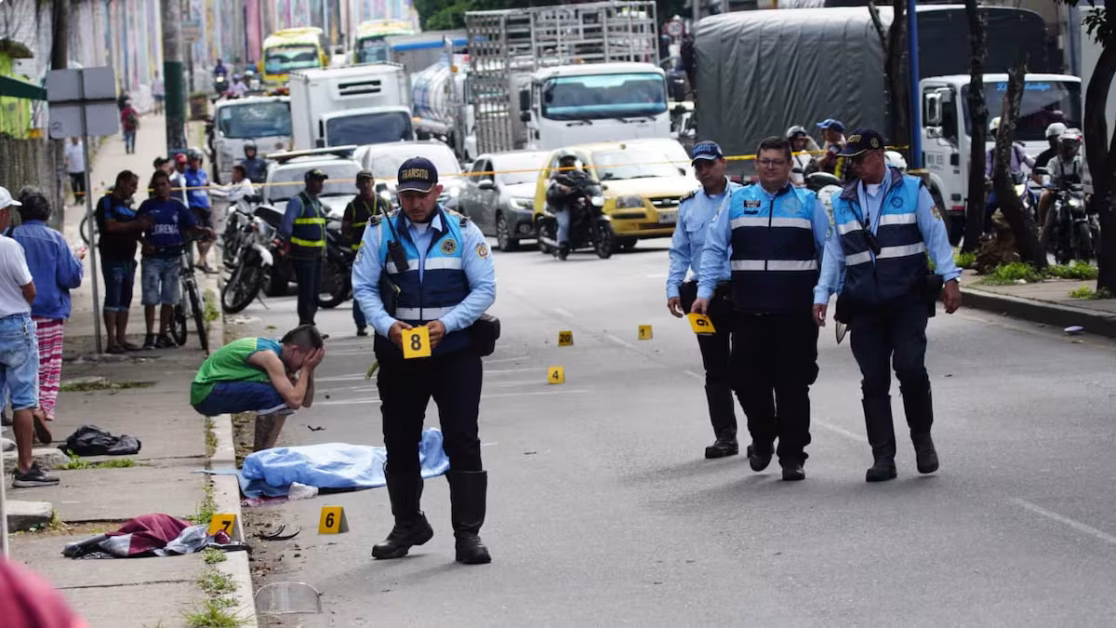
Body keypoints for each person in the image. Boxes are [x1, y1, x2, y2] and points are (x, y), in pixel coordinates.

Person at [352, 157, 497, 565]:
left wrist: (447, 324)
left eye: (422, 195)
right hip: (400, 354)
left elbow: (485, 288)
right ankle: (408, 524)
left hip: (454, 352)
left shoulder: (463, 231)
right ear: (398, 195)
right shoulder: (379, 232)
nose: (415, 203)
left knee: (462, 439)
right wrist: (387, 327)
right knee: (399, 440)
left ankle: (468, 534)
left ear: (438, 192)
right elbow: (363, 287)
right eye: (407, 196)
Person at [813, 129, 962, 483]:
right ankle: (883, 456)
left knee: (911, 369)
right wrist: (822, 294)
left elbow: (936, 236)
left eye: (859, 159)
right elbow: (834, 252)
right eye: (850, 160)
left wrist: (950, 278)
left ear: (878, 156)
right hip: (864, 304)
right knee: (874, 381)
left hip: (907, 299)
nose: (854, 166)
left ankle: (922, 440)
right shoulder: (844, 200)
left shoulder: (912, 190)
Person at [692, 137, 828, 482]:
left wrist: (824, 295)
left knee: (793, 386)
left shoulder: (808, 203)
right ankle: (764, 437)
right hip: (749, 311)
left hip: (795, 314)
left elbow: (829, 253)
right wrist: (705, 291)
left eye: (777, 162)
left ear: (789, 166)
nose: (770, 167)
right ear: (756, 164)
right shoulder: (737, 201)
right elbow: (714, 248)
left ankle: (792, 455)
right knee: (745, 381)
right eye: (765, 161)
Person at [666, 141, 743, 459]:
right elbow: (679, 251)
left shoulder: (745, 199)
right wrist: (673, 287)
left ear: (723, 163)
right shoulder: (689, 206)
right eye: (698, 165)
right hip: (702, 299)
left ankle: (763, 432)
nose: (704, 170)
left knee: (749, 366)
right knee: (715, 368)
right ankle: (725, 435)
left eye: (709, 163)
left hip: (743, 292)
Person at [10, 189, 84, 428]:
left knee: (22, 367)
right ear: (47, 213)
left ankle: (26, 407)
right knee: (48, 365)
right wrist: (78, 261)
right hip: (50, 312)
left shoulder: (10, 236)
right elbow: (70, 277)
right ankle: (42, 408)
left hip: (17, 313)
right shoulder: (55, 239)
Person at [0, 187, 57, 487]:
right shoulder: (9, 246)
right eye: (8, 211)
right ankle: (25, 467)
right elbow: (29, 289)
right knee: (23, 400)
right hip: (14, 325)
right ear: (2, 214)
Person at [191, 325, 324, 452]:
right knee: (278, 396)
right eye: (306, 359)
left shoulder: (281, 356)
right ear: (294, 350)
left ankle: (265, 453)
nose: (304, 364)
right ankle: (260, 456)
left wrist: (310, 370)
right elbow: (295, 401)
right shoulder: (270, 357)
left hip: (214, 391)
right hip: (206, 392)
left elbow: (305, 402)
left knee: (284, 395)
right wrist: (306, 370)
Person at [137, 170, 215, 349]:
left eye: (163, 184)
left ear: (169, 186)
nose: (160, 188)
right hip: (152, 258)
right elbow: (136, 229)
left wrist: (204, 231)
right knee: (150, 298)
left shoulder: (177, 206)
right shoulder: (147, 206)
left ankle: (162, 334)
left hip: (173, 258)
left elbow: (191, 227)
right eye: (157, 185)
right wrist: (144, 243)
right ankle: (149, 335)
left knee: (169, 298)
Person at [95, 171, 151, 354]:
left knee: (125, 298)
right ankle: (111, 341)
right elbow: (110, 226)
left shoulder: (128, 207)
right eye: (132, 185)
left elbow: (134, 231)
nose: (134, 190)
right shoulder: (106, 202)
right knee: (113, 297)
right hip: (112, 256)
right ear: (122, 182)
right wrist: (135, 224)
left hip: (129, 258)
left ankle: (121, 338)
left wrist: (145, 242)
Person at [278, 168, 329, 327]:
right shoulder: (298, 201)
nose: (320, 184)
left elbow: (322, 231)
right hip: (303, 255)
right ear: (307, 182)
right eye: (317, 180)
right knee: (306, 292)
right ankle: (305, 325)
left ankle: (310, 326)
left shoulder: (317, 203)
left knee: (314, 293)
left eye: (321, 181)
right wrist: (293, 244)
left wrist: (324, 253)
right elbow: (286, 227)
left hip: (316, 255)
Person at [342, 171, 387, 337]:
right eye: (362, 182)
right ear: (357, 185)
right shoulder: (353, 206)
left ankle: (384, 323)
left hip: (382, 252)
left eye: (368, 181)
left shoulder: (383, 203)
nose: (365, 185)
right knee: (362, 288)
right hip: (360, 255)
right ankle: (361, 324)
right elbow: (345, 230)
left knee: (385, 288)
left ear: (373, 182)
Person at [983, 116, 1035, 233]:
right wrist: (986, 178)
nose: (1001, 135)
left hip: (1017, 184)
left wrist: (1039, 166)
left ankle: (1037, 228)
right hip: (999, 187)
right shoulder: (990, 153)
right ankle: (986, 232)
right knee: (989, 206)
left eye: (1004, 132)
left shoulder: (1017, 149)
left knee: (1035, 200)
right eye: (997, 133)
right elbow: (987, 170)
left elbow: (1029, 161)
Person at [1038, 129, 1085, 249]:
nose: (1068, 149)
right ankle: (1040, 247)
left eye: (1071, 147)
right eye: (1065, 147)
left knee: (1095, 220)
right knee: (1049, 222)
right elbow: (1047, 175)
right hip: (1058, 194)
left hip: (1077, 194)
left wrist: (1088, 185)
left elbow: (1087, 176)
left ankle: (1100, 249)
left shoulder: (1081, 161)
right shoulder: (1054, 162)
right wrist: (1048, 184)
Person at [545, 151, 590, 260]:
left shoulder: (577, 173)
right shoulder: (556, 174)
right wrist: (561, 188)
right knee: (564, 224)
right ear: (561, 162)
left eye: (571, 160)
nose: (569, 162)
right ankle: (562, 245)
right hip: (561, 202)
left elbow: (588, 179)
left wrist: (595, 186)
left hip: (575, 200)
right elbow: (552, 184)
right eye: (567, 160)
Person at [184, 150, 217, 273]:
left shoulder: (203, 173)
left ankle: (201, 260)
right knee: (200, 236)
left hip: (205, 207)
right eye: (193, 161)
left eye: (197, 160)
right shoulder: (186, 175)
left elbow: (206, 187)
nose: (195, 163)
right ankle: (203, 262)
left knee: (212, 236)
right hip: (194, 208)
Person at [64, 138, 86, 206]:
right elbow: (66, 157)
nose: (75, 140)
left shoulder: (82, 145)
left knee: (82, 185)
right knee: (74, 186)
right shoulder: (68, 147)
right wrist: (66, 164)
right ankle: (77, 199)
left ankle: (82, 198)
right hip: (72, 170)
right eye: (73, 139)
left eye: (76, 138)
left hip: (81, 169)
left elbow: (85, 155)